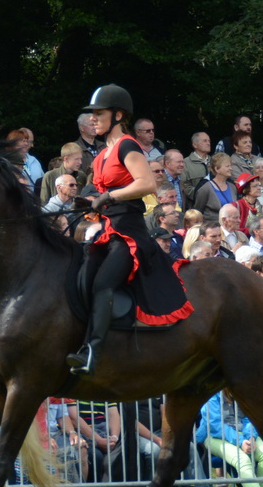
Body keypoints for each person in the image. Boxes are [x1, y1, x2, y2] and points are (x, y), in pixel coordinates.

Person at [66, 85, 190, 374]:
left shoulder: (126, 145)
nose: (93, 119)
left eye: (99, 113)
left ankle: (93, 353)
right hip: (107, 230)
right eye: (92, 114)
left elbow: (146, 183)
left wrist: (110, 196)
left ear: (118, 114)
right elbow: (99, 191)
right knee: (82, 276)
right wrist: (88, 201)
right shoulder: (101, 154)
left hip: (129, 233)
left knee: (102, 284)